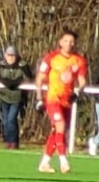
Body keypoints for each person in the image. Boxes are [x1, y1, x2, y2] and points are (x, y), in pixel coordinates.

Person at [35, 29, 85, 173]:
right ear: (60, 42)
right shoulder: (51, 58)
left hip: (66, 101)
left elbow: (82, 81)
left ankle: (44, 163)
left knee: (57, 131)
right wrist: (39, 98)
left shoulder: (79, 60)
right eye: (66, 41)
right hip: (52, 99)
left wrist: (77, 92)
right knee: (60, 125)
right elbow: (40, 79)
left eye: (72, 41)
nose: (69, 44)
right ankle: (63, 161)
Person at [0, 46, 26, 149]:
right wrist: (6, 83)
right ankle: (7, 141)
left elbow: (28, 78)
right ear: (5, 56)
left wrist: (14, 83)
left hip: (17, 97)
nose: (11, 58)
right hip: (4, 96)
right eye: (9, 55)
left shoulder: (23, 65)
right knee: (5, 120)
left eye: (13, 55)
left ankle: (14, 141)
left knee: (11, 119)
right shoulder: (0, 65)